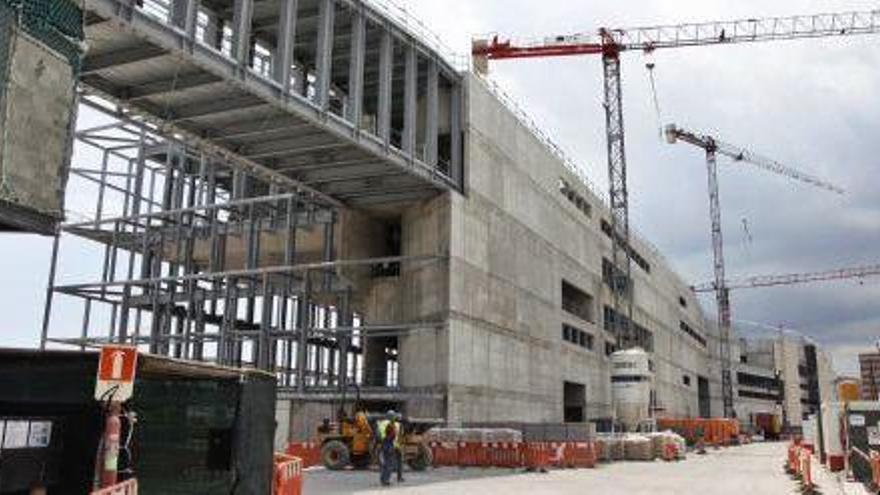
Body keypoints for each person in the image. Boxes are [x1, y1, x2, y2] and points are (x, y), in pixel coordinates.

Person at [377, 410, 398, 486]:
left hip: (383, 445)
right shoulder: (392, 425)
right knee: (389, 464)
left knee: (384, 464)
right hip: (389, 445)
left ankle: (383, 479)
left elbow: (378, 435)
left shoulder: (381, 423)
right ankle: (386, 481)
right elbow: (393, 436)